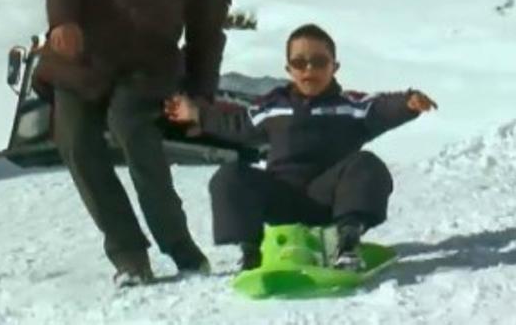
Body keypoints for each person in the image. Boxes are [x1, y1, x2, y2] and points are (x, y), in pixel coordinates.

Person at [34, 0, 241, 287]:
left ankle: (181, 249)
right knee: (77, 144)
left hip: (149, 69)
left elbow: (207, 36)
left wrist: (199, 98)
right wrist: (63, 21)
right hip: (82, 57)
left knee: (134, 133)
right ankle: (130, 256)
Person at [164, 24, 437, 271]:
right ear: (289, 70)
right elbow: (237, 123)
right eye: (299, 62)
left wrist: (408, 103)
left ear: (334, 66)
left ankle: (347, 243)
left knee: (366, 164)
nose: (309, 70)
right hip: (283, 199)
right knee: (230, 176)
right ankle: (252, 252)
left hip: (331, 201)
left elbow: (379, 106)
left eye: (319, 62)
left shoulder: (350, 106)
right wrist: (196, 113)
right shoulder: (274, 105)